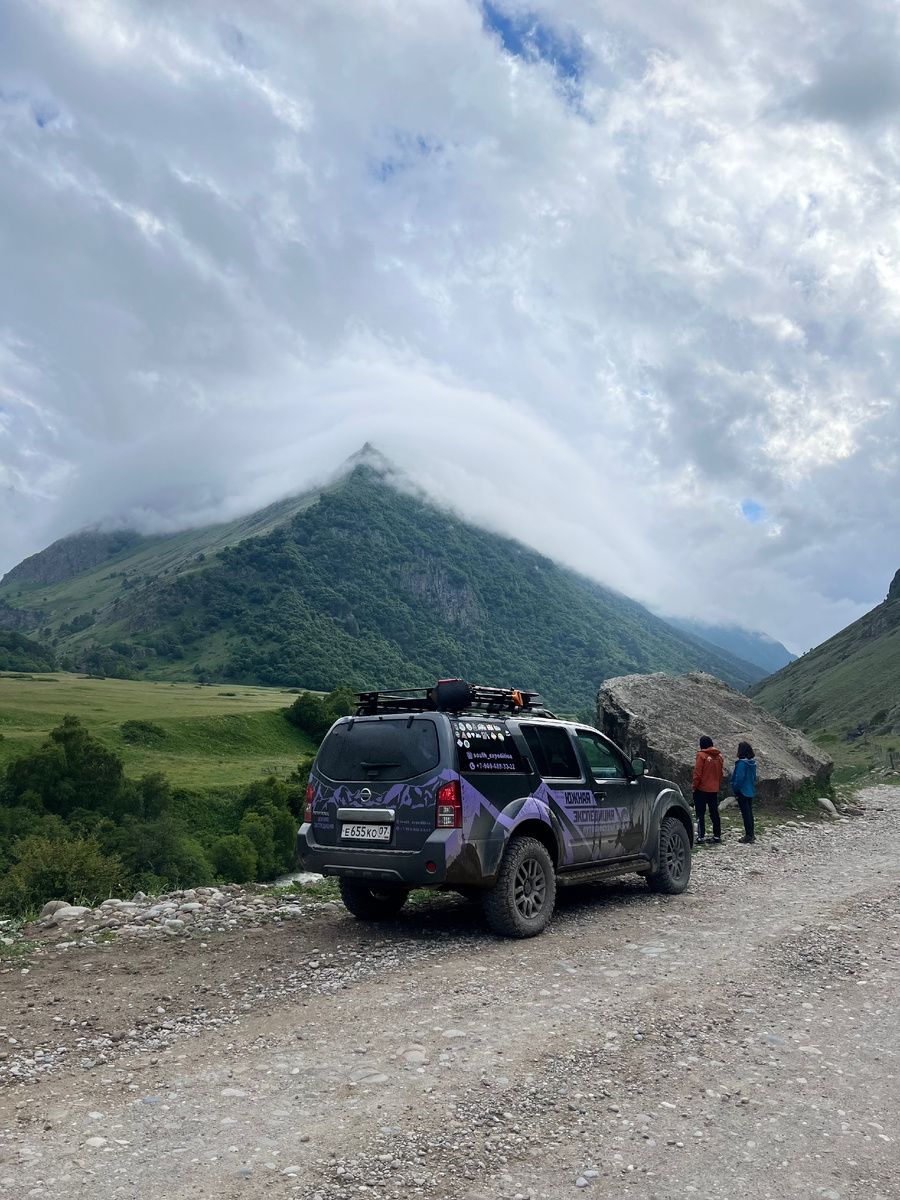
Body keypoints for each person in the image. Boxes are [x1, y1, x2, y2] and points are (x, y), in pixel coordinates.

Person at [692, 735, 724, 844]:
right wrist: (717, 784)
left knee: (700, 813)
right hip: (714, 789)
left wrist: (694, 786)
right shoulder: (719, 757)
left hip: (702, 788)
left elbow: (697, 773)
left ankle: (701, 836)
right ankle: (717, 835)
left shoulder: (701, 756)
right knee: (714, 812)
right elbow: (720, 774)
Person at [731, 741, 758, 843]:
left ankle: (748, 835)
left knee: (745, 813)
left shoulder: (742, 763)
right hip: (750, 790)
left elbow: (739, 778)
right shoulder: (752, 764)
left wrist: (734, 787)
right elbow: (754, 777)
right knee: (749, 812)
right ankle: (751, 833)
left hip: (742, 790)